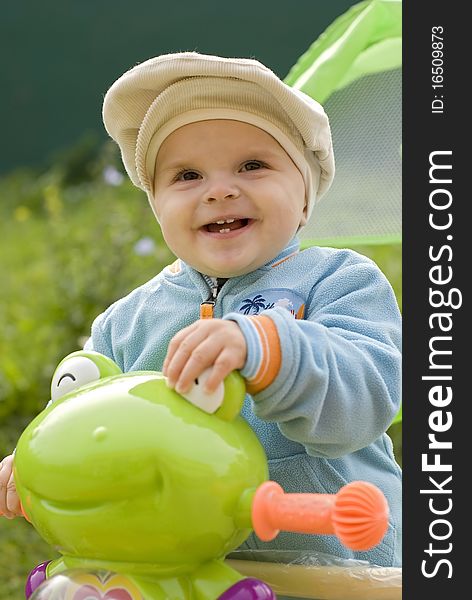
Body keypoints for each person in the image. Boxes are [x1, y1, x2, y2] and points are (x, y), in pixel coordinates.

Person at [0, 51, 402, 567]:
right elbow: (92, 430)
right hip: (187, 571)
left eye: (252, 165)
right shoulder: (124, 325)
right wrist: (44, 462)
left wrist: (267, 347)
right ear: (157, 206)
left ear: (305, 195)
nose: (220, 190)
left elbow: (363, 402)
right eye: (186, 175)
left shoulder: (341, 281)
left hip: (335, 564)